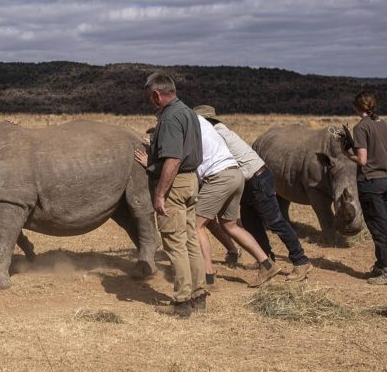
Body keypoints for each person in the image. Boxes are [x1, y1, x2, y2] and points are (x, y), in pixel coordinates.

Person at [193, 105, 312, 282]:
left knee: (275, 222)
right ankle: (267, 262)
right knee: (251, 224)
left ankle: (301, 261)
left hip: (257, 178)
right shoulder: (218, 131)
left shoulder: (215, 134)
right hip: (248, 181)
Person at [134, 73, 207, 319]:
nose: (151, 102)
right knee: (189, 241)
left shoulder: (171, 117)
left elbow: (173, 159)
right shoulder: (187, 112)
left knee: (174, 244)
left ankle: (182, 301)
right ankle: (198, 295)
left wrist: (161, 194)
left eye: (150, 97)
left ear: (157, 94)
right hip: (191, 182)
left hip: (175, 184)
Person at [189, 111, 281, 288]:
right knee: (229, 225)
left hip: (218, 177)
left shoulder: (186, 125)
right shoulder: (207, 127)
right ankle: (267, 264)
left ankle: (207, 278)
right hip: (235, 174)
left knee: (196, 225)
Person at [345, 91, 387, 285]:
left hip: (370, 182)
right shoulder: (384, 125)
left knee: (378, 227)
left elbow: (362, 160)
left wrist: (346, 153)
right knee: (382, 223)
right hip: (386, 179)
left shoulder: (361, 128)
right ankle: (381, 264)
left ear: (357, 108)